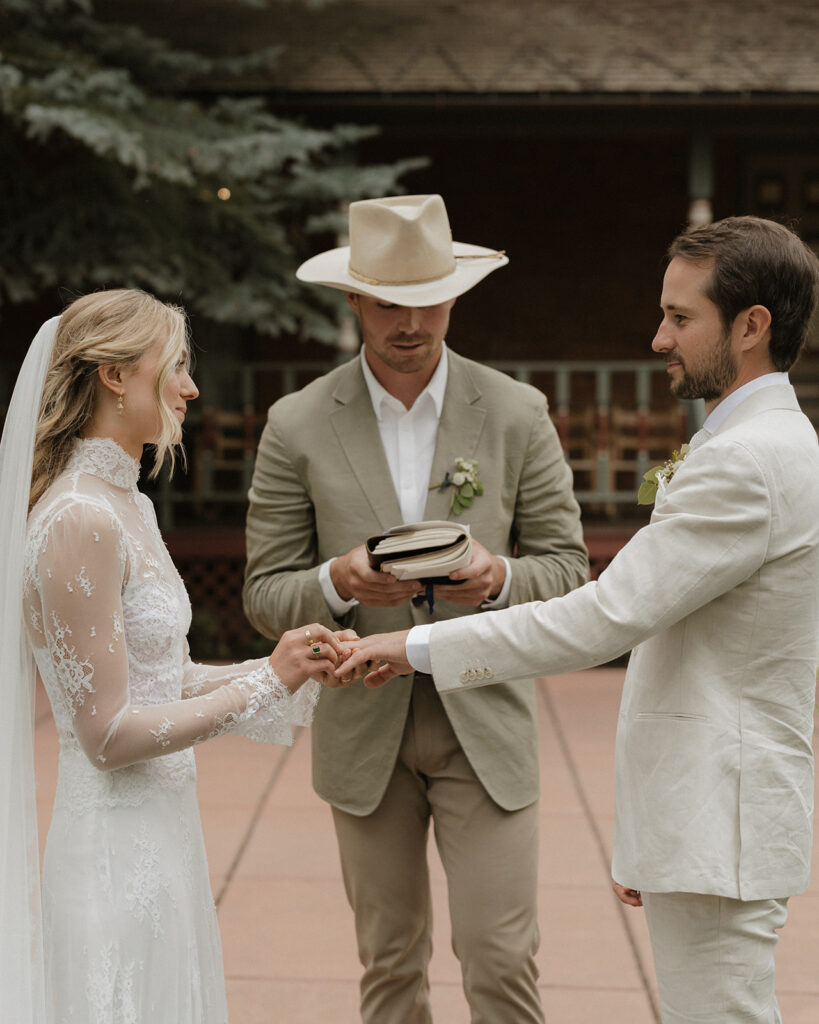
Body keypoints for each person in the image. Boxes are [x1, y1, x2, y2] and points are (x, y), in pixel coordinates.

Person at [340, 215, 819, 1024]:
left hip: (718, 817)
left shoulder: (746, 460)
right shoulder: (761, 442)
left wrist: (414, 645)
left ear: (750, 327)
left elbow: (602, 618)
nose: (658, 338)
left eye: (679, 317)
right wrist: (647, 833)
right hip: (704, 813)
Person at [243, 193, 589, 1024]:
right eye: (387, 303)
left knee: (500, 960)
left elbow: (569, 573)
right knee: (390, 964)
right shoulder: (296, 423)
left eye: (428, 300)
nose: (410, 322)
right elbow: (264, 594)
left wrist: (495, 578)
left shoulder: (515, 412)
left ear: (455, 295)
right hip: (363, 728)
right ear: (353, 298)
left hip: (485, 720)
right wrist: (338, 581)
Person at [0, 288, 353, 1024]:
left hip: (165, 839)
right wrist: (265, 685)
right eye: (178, 366)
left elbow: (162, 679)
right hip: (111, 856)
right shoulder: (79, 517)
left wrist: (285, 662)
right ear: (114, 376)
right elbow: (106, 736)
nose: (192, 388)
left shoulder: (129, 504)